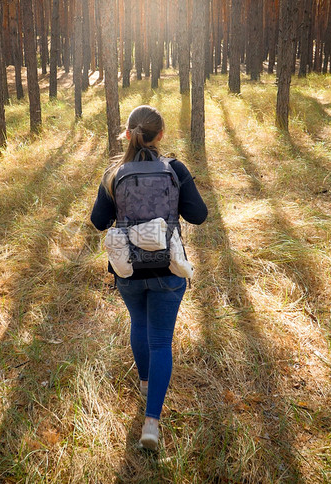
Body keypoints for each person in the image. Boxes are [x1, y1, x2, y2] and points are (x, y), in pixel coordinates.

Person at [90, 105, 208, 450]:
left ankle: (145, 383)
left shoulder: (115, 172)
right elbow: (198, 216)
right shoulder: (174, 168)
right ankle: (151, 423)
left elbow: (98, 221)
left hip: (128, 268)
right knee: (160, 341)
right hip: (168, 268)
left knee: (139, 326)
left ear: (128, 134)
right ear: (160, 135)